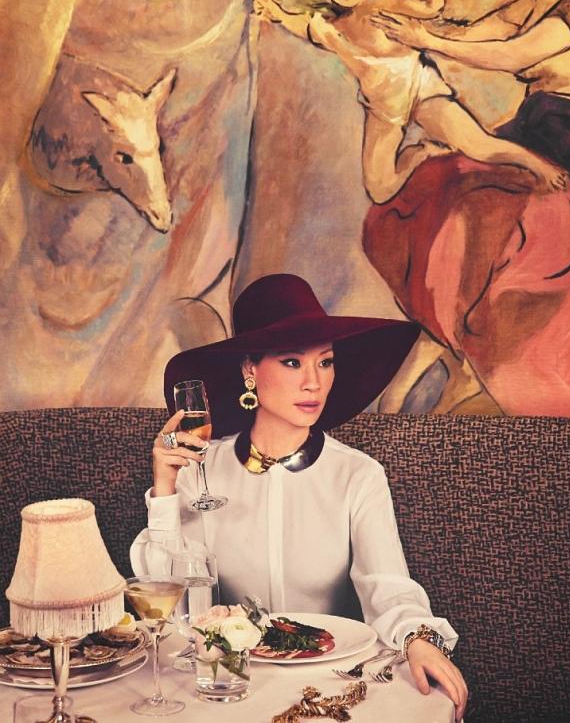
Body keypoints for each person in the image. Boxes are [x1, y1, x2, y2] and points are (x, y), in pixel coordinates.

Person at [131, 273, 468, 719]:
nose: (314, 382)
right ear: (250, 370)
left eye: (325, 362)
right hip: (230, 682)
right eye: (292, 362)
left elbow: (387, 586)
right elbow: (166, 598)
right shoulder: (201, 472)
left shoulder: (358, 475)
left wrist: (417, 639)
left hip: (332, 682)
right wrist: (165, 489)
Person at [253, 0, 566, 203]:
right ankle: (422, 153)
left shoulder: (384, 3)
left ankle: (536, 164)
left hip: (419, 86)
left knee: (477, 144)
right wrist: (277, 13)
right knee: (379, 190)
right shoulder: (333, 27)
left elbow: (432, 7)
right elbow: (301, 26)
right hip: (382, 104)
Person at [372, 0, 570, 258]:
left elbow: (511, 55)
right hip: (533, 123)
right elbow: (463, 34)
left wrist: (426, 41)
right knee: (456, 177)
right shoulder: (531, 6)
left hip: (568, 129)